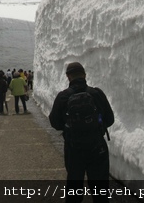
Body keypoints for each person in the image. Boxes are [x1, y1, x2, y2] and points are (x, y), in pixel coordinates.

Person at [49, 62, 114, 203]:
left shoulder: (63, 97)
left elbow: (55, 122)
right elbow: (110, 119)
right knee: (100, 190)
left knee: (74, 188)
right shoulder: (96, 94)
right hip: (97, 147)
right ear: (84, 75)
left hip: (74, 148)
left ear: (68, 77)